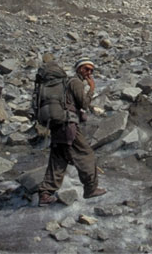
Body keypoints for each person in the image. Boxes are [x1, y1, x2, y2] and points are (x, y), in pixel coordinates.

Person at [38, 58, 106, 206]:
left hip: (57, 127)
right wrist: (92, 88)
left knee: (58, 159)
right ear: (79, 69)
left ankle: (45, 193)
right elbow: (84, 104)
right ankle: (90, 189)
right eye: (86, 69)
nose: (89, 72)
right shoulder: (76, 82)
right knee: (86, 155)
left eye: (91, 70)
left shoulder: (65, 84)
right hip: (69, 126)